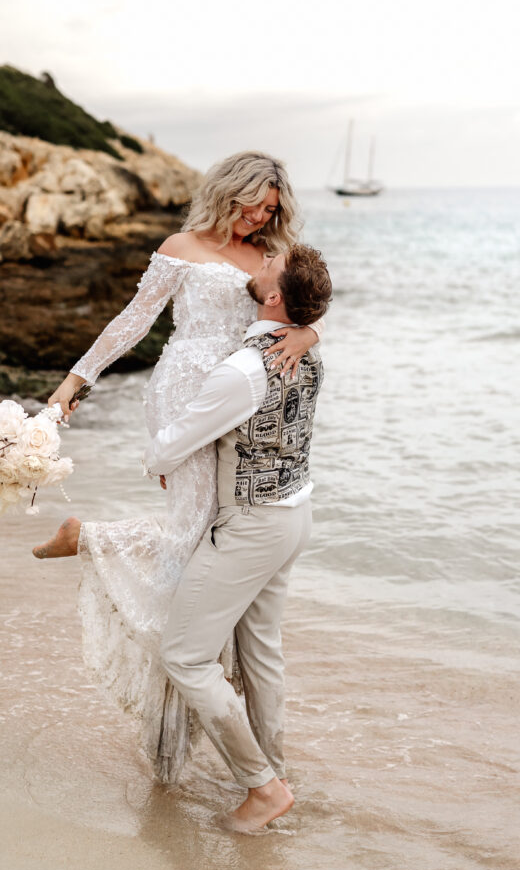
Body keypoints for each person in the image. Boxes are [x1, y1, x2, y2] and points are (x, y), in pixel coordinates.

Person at [33, 151, 324, 782]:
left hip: (242, 401)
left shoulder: (272, 256)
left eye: (271, 208)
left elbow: (300, 304)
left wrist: (310, 333)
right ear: (228, 192)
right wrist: (75, 381)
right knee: (192, 545)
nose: (260, 216)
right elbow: (133, 322)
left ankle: (234, 751)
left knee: (213, 557)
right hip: (188, 397)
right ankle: (173, 743)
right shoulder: (181, 247)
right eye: (253, 203)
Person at [143, 244, 332, 831]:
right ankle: (274, 774)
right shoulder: (304, 352)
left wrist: (158, 453)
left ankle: (263, 788)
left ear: (274, 297)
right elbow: (308, 330)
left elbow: (172, 445)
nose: (261, 261)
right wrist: (311, 332)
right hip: (294, 514)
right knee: (262, 655)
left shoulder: (243, 369)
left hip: (251, 525)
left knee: (185, 656)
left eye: (270, 265)